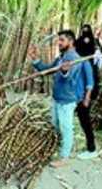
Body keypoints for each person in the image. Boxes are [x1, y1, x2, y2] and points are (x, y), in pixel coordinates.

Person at [28, 30, 82, 168]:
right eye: (58, 40)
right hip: (57, 98)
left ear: (70, 41)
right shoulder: (61, 58)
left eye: (62, 40)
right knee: (56, 126)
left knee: (66, 128)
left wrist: (65, 71)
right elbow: (48, 70)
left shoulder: (75, 58)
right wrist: (35, 60)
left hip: (67, 100)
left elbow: (69, 77)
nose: (59, 43)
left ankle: (64, 158)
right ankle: (59, 149)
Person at [75, 24, 101, 99]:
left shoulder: (94, 41)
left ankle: (92, 95)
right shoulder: (79, 40)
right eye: (84, 31)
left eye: (87, 31)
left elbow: (98, 50)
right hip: (81, 63)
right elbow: (75, 50)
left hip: (92, 64)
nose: (85, 32)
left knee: (92, 78)